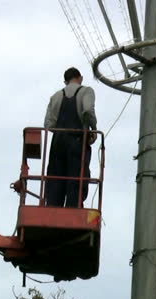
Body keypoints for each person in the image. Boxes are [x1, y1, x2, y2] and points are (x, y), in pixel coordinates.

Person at [43, 67, 97, 208]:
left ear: (65, 81)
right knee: (76, 178)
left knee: (55, 177)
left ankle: (53, 208)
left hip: (58, 143)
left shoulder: (55, 96)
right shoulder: (86, 91)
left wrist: (61, 132)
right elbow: (87, 110)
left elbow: (48, 124)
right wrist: (93, 129)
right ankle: (74, 208)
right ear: (80, 78)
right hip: (77, 140)